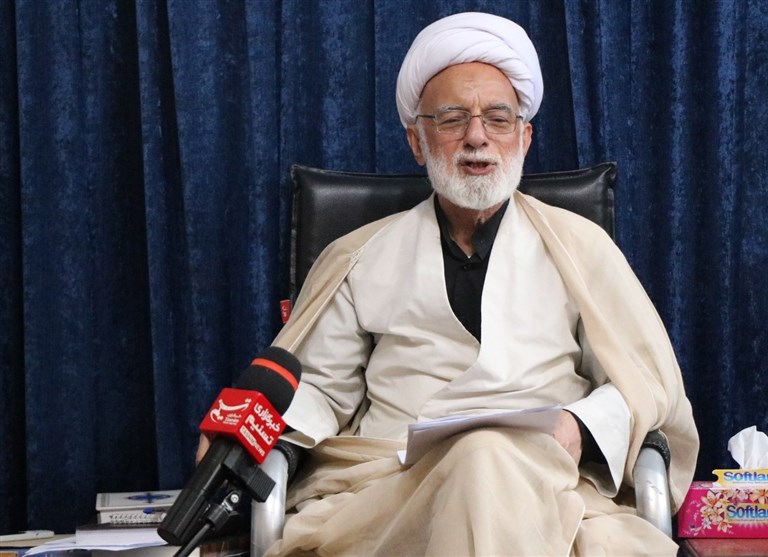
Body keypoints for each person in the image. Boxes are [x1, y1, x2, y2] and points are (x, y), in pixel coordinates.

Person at [207, 12, 698, 556]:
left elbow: (642, 384)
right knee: (477, 458)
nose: (476, 138)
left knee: (487, 456)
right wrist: (248, 436)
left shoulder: (582, 248)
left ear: (524, 138)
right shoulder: (358, 256)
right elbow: (321, 389)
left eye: (498, 119)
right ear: (417, 141)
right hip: (392, 490)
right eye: (451, 119)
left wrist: (579, 426)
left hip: (549, 488)